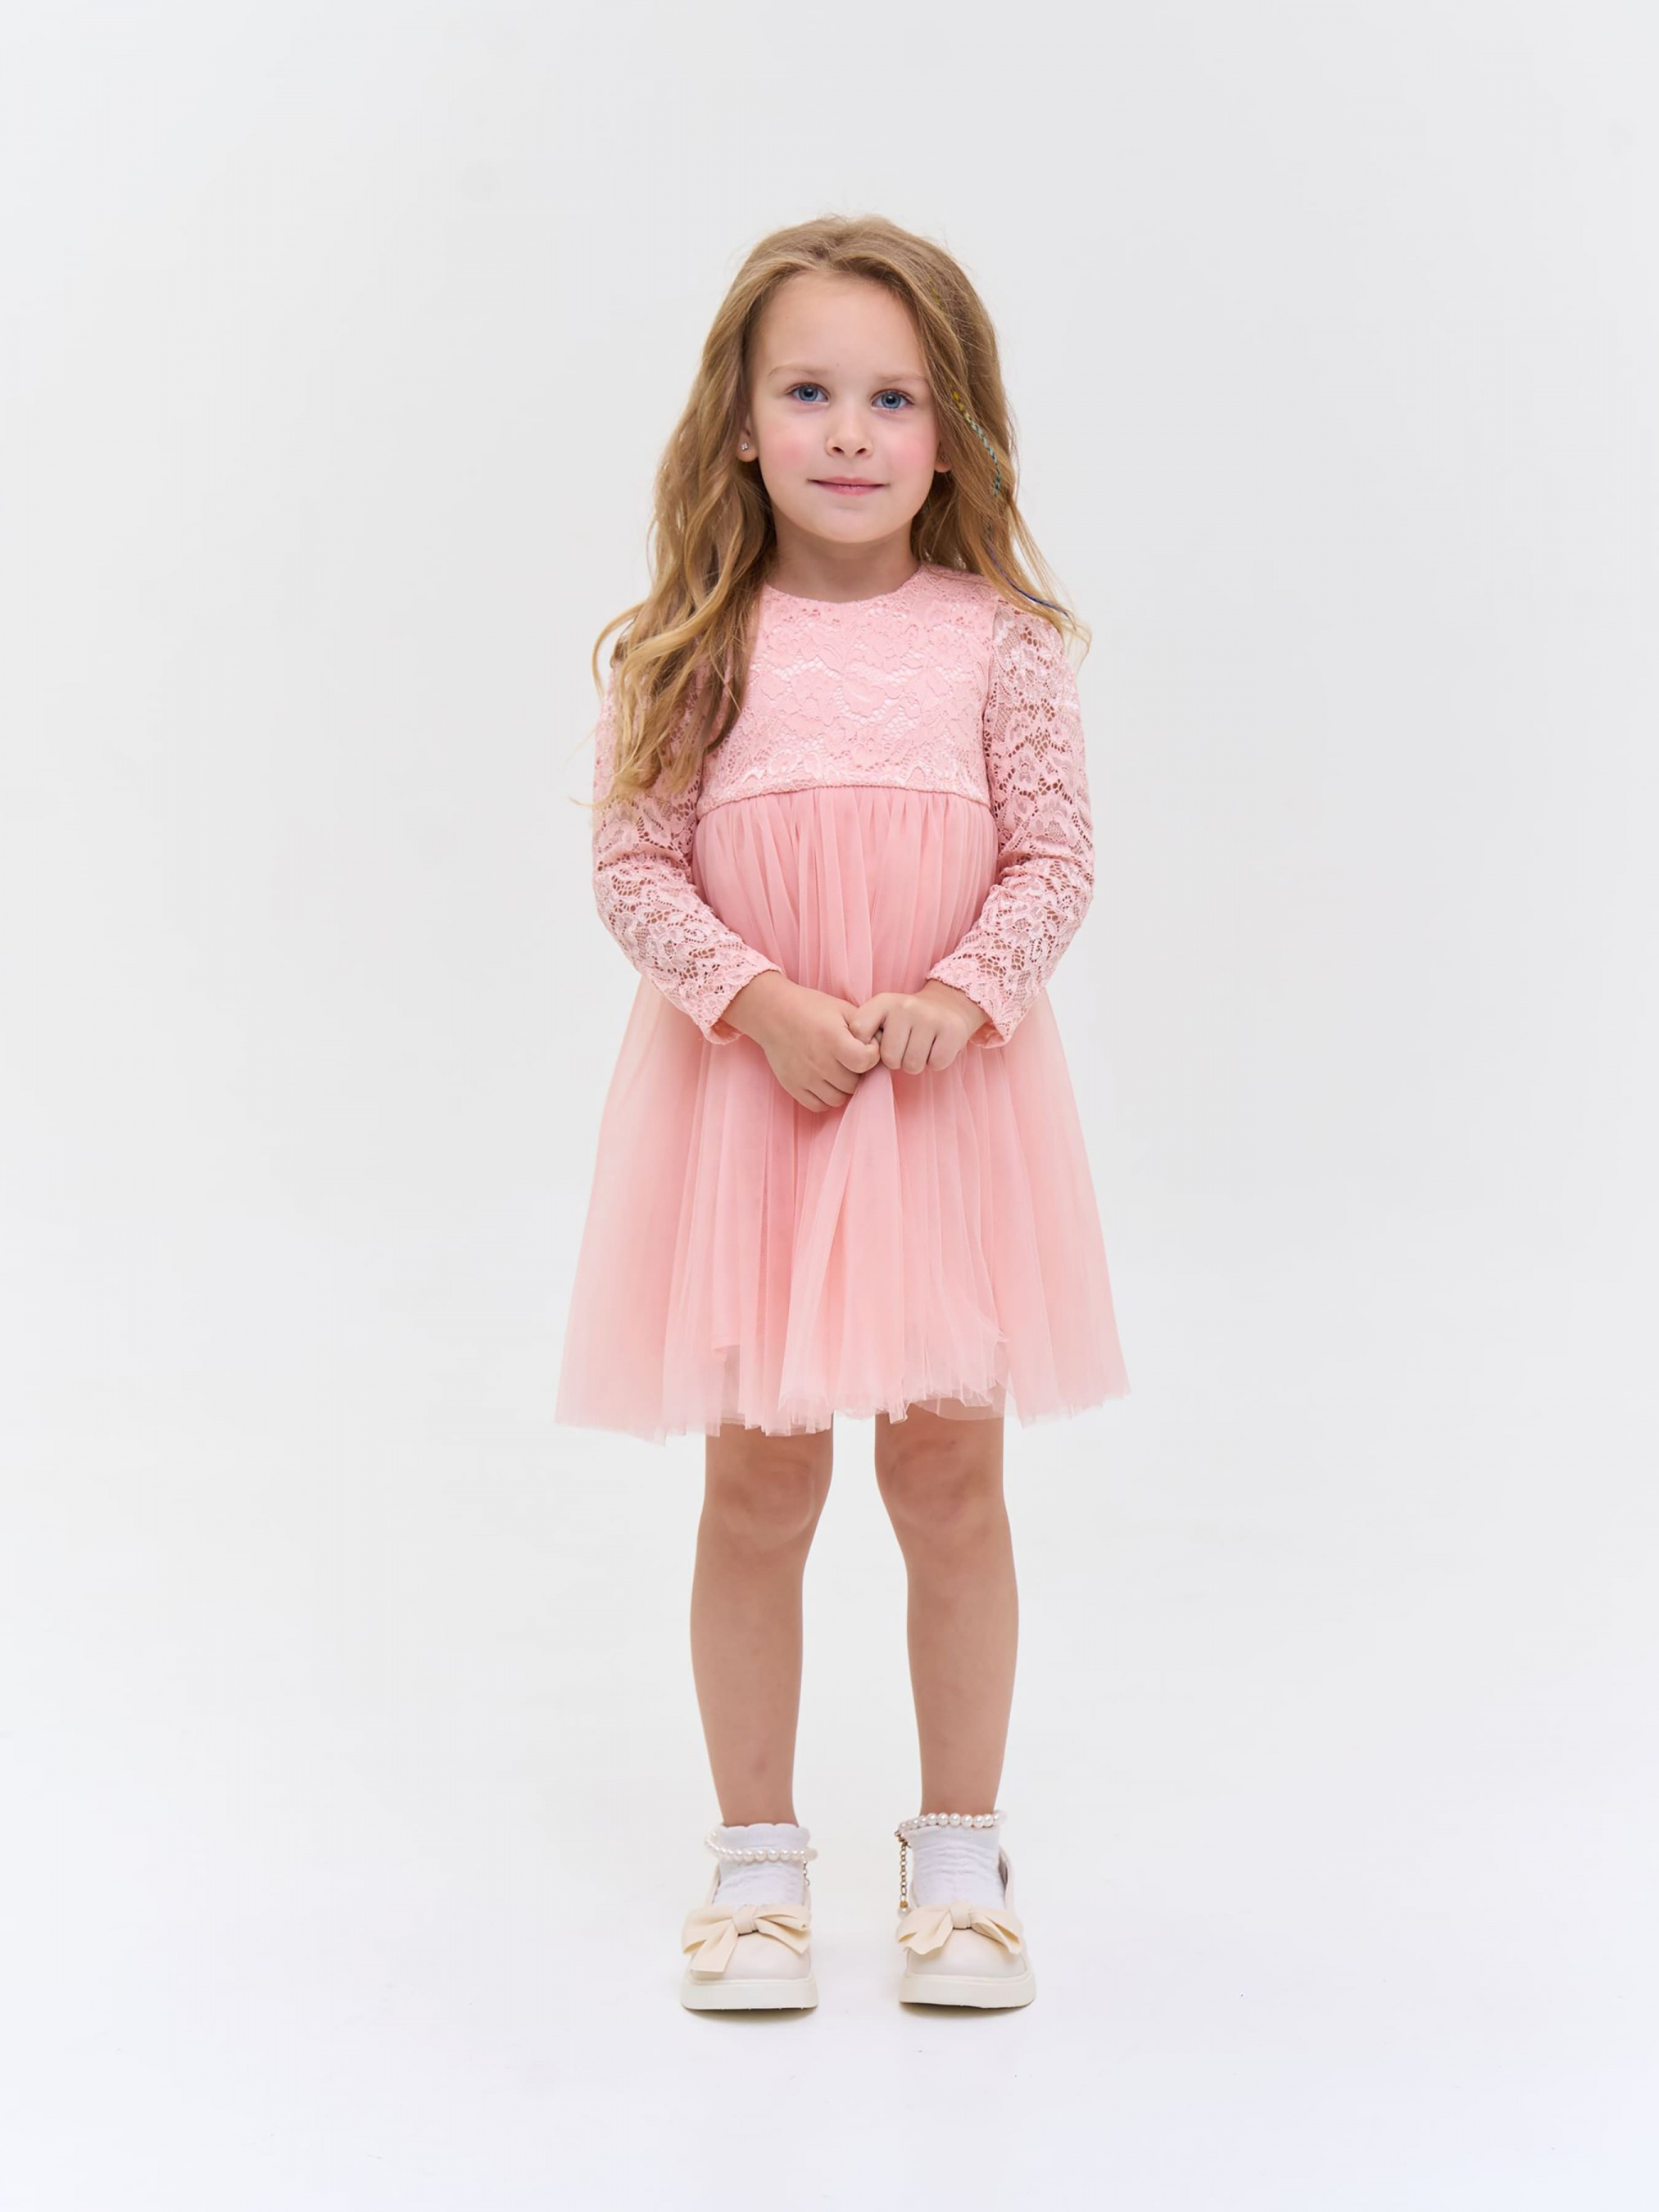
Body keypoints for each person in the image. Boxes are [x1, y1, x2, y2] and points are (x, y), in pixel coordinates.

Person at [555, 214, 1131, 2011]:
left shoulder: (1001, 644)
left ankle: (958, 1853)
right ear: (737, 423)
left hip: (947, 1111)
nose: (851, 433)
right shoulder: (689, 645)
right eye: (807, 391)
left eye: (894, 398)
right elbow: (633, 867)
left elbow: (1054, 857)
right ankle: (753, 1863)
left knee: (949, 1473)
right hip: (762, 1114)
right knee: (759, 1479)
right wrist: (754, 998)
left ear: (951, 435)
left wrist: (964, 989)